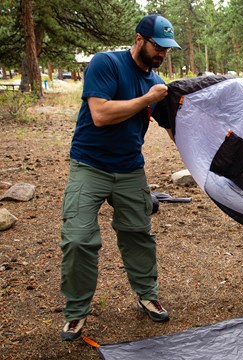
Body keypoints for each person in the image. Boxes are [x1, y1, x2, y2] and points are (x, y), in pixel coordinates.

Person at [59, 14, 181, 341]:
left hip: (130, 169)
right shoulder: (106, 64)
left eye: (167, 49)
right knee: (78, 239)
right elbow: (100, 114)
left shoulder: (154, 81)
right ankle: (76, 311)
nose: (162, 54)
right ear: (140, 39)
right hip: (90, 165)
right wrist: (147, 99)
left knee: (137, 233)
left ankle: (147, 295)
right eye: (158, 46)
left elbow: (173, 127)